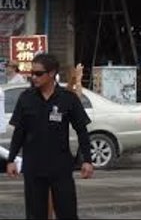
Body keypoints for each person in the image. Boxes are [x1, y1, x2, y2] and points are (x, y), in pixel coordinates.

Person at [6, 53, 94, 219]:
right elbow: (19, 132)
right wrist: (11, 159)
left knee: (67, 212)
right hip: (34, 166)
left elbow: (82, 131)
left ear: (52, 73)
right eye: (32, 73)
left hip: (60, 166)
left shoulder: (68, 99)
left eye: (38, 73)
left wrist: (87, 160)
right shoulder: (26, 98)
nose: (34, 77)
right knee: (35, 214)